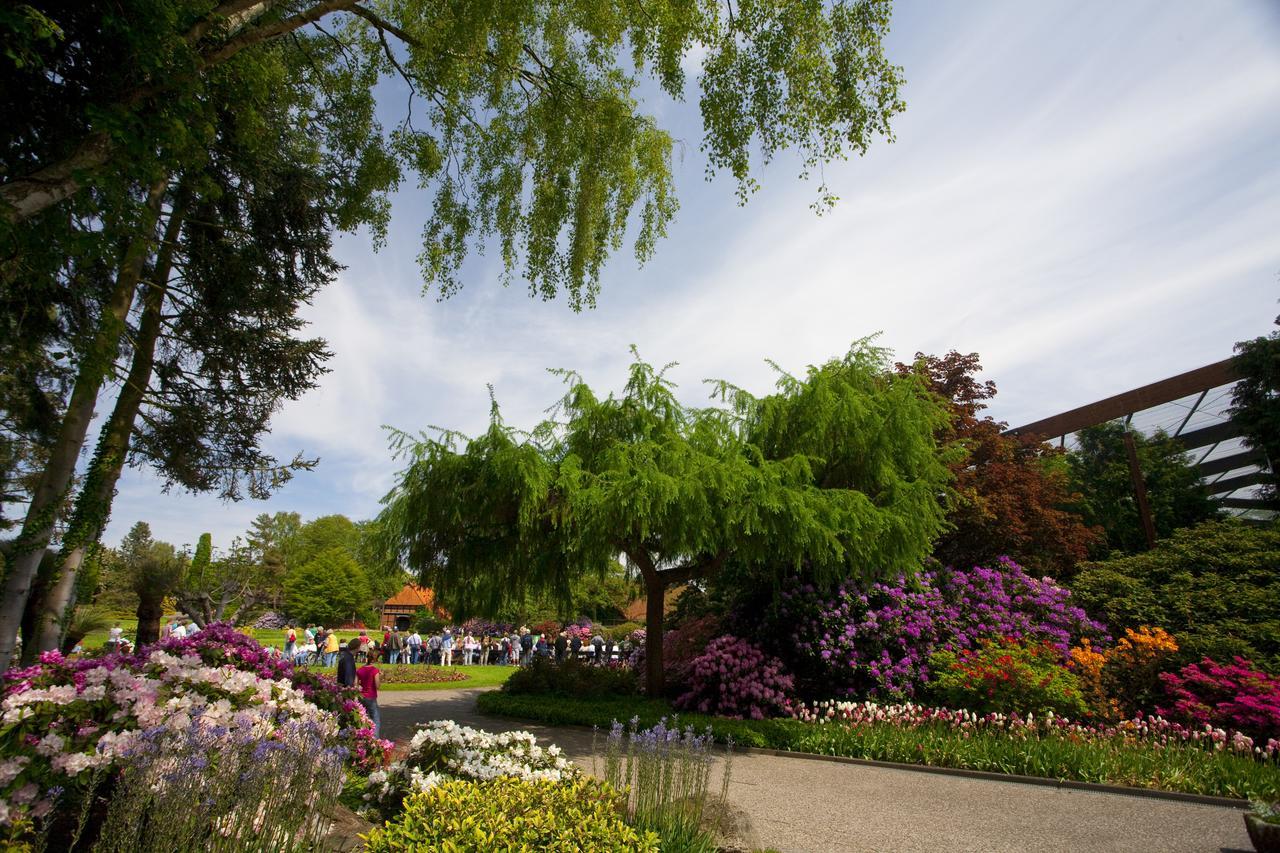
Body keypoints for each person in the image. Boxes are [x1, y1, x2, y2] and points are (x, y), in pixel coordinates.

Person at [355, 655, 382, 737]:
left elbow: (355, 684)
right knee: (375, 719)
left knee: (363, 718)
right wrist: (380, 676)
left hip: (361, 696)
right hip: (371, 696)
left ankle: (362, 736)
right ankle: (375, 739)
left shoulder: (359, 670)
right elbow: (377, 685)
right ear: (375, 660)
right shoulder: (374, 670)